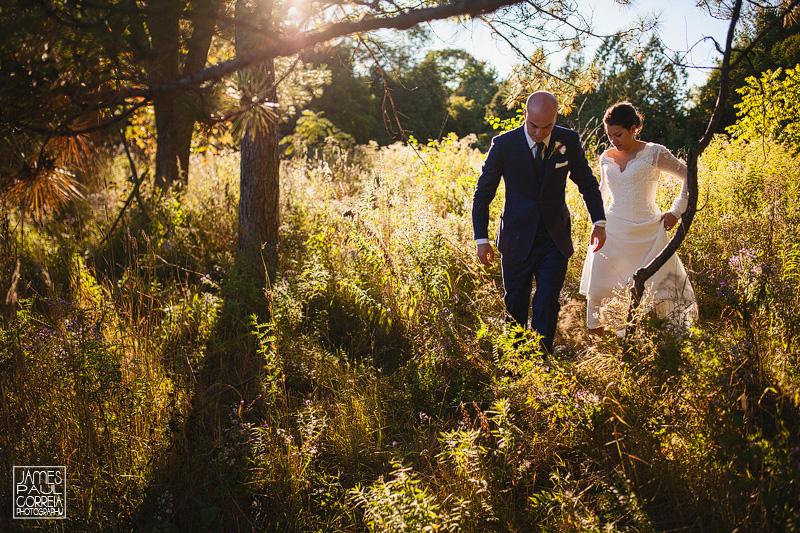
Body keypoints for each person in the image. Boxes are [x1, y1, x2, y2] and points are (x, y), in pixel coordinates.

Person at [472, 91, 607, 354]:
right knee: (515, 303)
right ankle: (516, 361)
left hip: (554, 238)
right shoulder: (503, 145)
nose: (539, 133)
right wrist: (482, 240)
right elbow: (482, 194)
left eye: (547, 126)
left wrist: (599, 222)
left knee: (547, 301)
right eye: (533, 126)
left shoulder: (567, 140)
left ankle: (542, 360)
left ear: (556, 117)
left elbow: (587, 183)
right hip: (515, 238)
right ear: (525, 115)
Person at [579, 101, 698, 336]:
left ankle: (645, 343)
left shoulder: (654, 152)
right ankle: (598, 350)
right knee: (599, 289)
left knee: (651, 292)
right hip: (612, 230)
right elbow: (602, 192)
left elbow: (688, 175)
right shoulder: (605, 157)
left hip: (648, 232)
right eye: (610, 135)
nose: (614, 140)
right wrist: (597, 220)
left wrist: (676, 210)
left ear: (633, 128)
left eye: (619, 134)